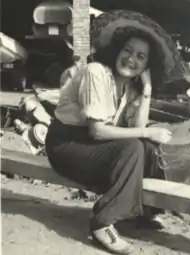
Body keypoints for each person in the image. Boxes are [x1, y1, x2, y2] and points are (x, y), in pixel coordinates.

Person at [45, 28, 172, 254]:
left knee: (148, 148)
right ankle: (103, 222)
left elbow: (137, 129)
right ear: (117, 50)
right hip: (66, 145)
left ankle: (143, 211)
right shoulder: (95, 73)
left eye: (141, 57)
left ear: (146, 67)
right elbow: (97, 132)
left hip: (90, 147)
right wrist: (147, 133)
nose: (131, 59)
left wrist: (147, 90)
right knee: (134, 146)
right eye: (128, 50)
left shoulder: (129, 88)